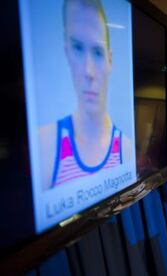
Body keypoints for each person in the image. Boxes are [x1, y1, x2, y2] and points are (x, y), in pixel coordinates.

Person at [39, 0, 132, 189]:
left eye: (98, 52)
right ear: (67, 53)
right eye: (78, 49)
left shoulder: (126, 149)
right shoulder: (44, 146)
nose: (88, 71)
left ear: (110, 60)